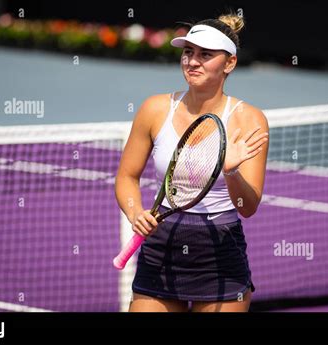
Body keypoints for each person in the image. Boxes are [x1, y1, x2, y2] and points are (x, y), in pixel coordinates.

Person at [115, 13, 269, 312]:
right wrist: (135, 213)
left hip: (219, 253)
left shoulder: (249, 119)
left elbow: (247, 207)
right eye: (188, 52)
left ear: (230, 63)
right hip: (160, 247)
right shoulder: (154, 109)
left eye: (205, 55)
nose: (192, 61)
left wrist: (232, 171)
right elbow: (126, 177)